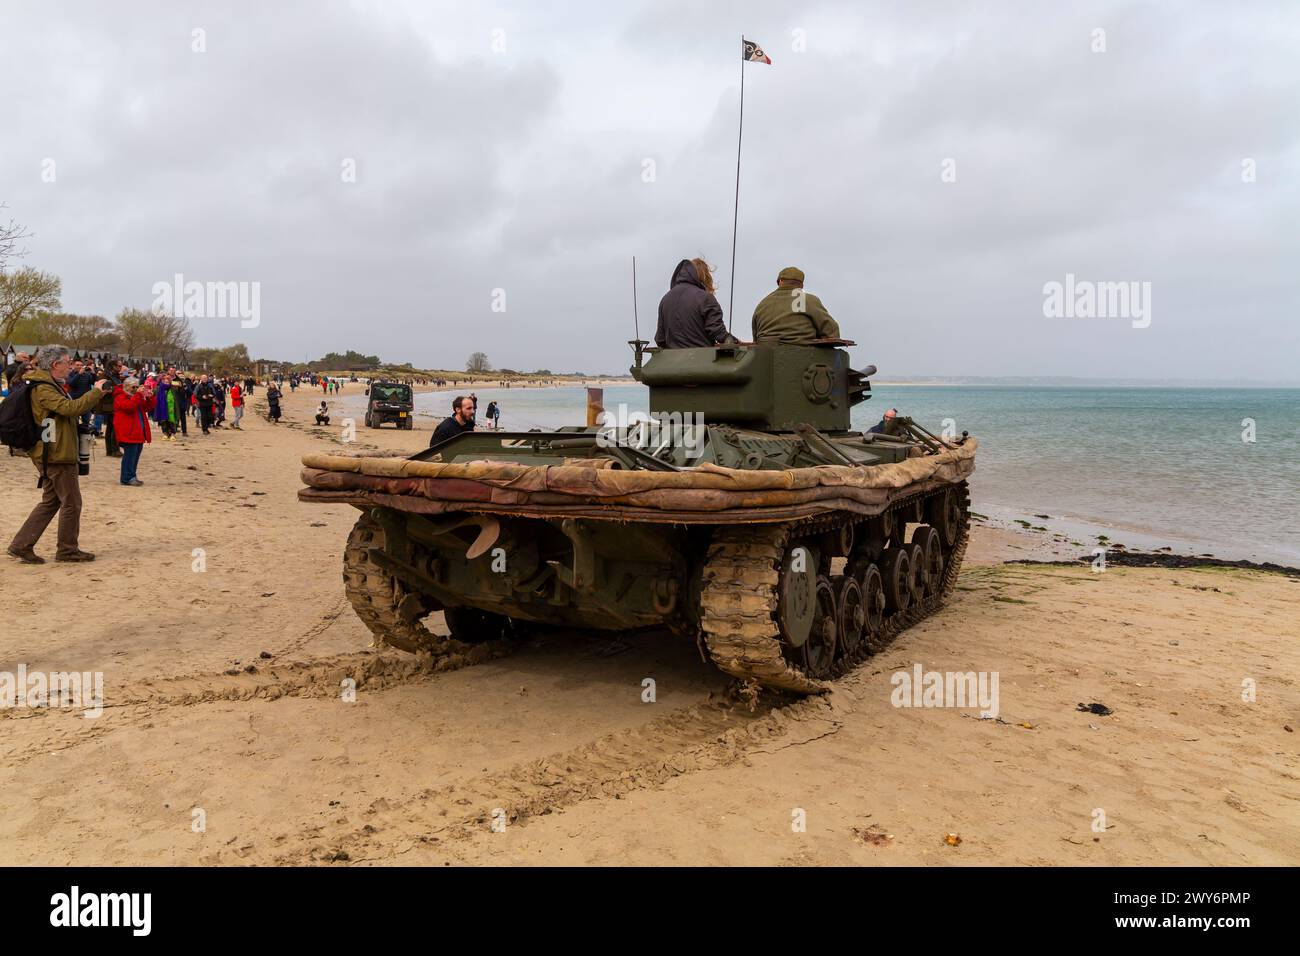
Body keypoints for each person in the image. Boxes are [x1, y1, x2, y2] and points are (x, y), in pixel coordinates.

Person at [7, 345, 112, 563]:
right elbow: (69, 408)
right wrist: (96, 392)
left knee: (51, 501)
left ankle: (21, 544)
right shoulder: (44, 388)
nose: (71, 367)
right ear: (56, 365)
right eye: (68, 363)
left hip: (52, 451)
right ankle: (67, 549)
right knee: (72, 503)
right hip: (55, 453)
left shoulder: (46, 384)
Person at [751, 266, 841, 344]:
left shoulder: (762, 304)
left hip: (766, 356)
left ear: (780, 282)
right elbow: (832, 333)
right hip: (804, 356)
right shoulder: (808, 300)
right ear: (801, 285)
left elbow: (756, 339)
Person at [655, 258, 731, 349]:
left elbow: (660, 340)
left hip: (671, 361)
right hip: (702, 360)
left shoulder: (665, 300)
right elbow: (718, 332)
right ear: (704, 277)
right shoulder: (705, 298)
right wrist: (732, 341)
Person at [113, 376, 153, 485]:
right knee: (130, 456)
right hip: (128, 432)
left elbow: (147, 408)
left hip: (138, 432)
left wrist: (149, 397)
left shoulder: (135, 397)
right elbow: (129, 407)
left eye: (137, 386)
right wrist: (139, 395)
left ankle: (132, 476)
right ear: (126, 387)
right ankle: (126, 478)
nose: (135, 389)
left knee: (134, 456)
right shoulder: (120, 397)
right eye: (133, 387)